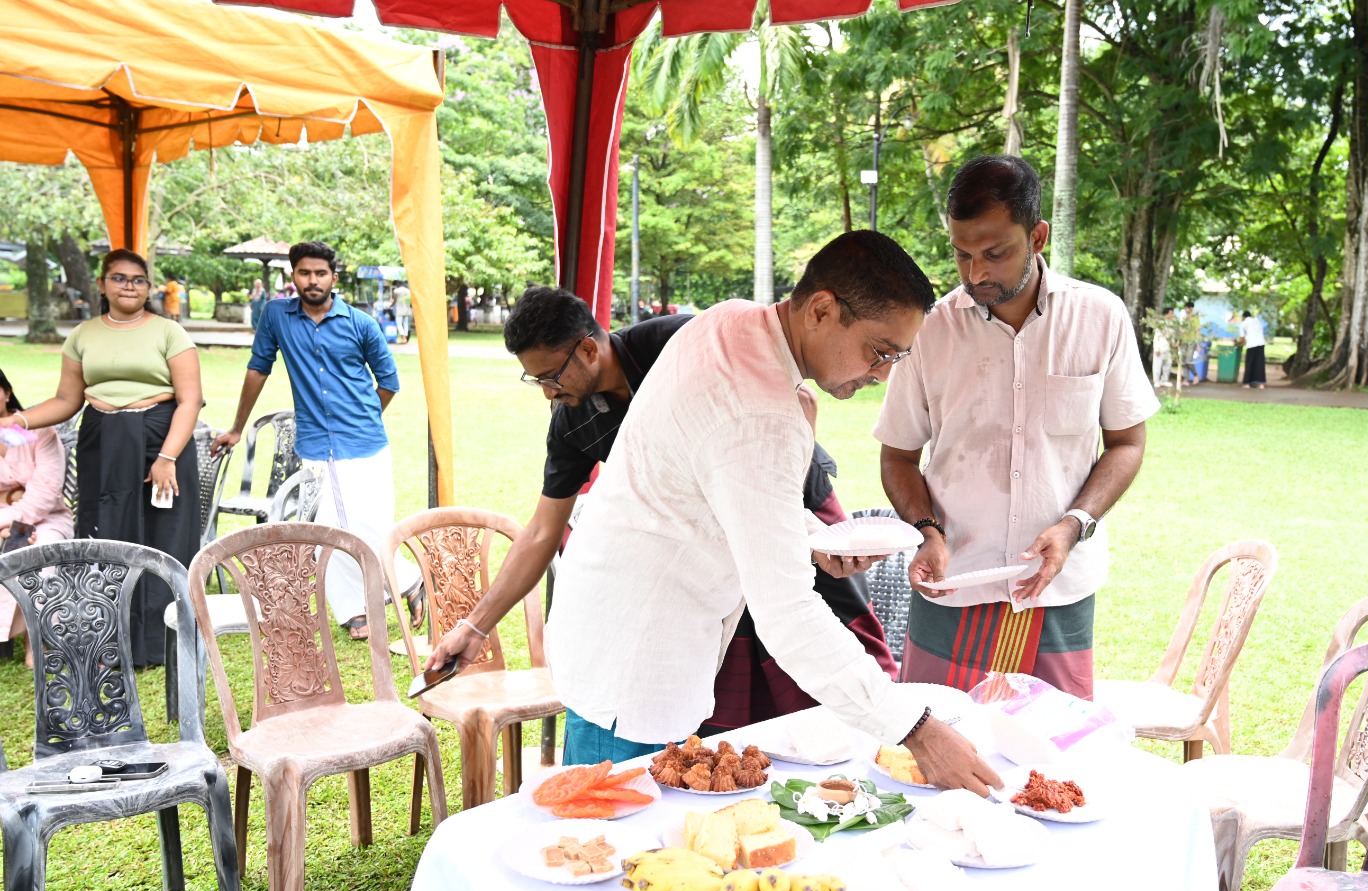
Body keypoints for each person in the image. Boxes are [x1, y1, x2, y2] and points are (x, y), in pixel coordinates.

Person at [429, 233, 999, 794]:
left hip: (612, 636)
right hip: (633, 666)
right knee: (611, 841)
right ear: (821, 310)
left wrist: (806, 535)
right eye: (880, 351)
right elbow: (788, 614)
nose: (883, 374)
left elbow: (712, 483)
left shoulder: (732, 319)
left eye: (898, 357)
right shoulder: (760, 412)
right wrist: (917, 730)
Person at [421, 285, 898, 735]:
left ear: (587, 350)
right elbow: (544, 531)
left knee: (831, 637)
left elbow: (801, 396)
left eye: (551, 375)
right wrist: (475, 625)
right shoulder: (571, 420)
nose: (548, 391)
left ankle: (874, 734)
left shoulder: (677, 341)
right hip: (708, 556)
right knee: (734, 694)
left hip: (792, 497)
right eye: (536, 380)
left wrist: (794, 526)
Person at [876, 155, 1159, 700]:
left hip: (1057, 589)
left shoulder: (1100, 316)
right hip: (952, 586)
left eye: (995, 253)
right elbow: (898, 456)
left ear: (1038, 237)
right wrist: (927, 531)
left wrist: (1074, 524)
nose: (975, 274)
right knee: (934, 741)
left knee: (1051, 749)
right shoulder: (929, 330)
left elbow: (1127, 443)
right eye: (962, 254)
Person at [0, 248, 204, 667]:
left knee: (162, 535)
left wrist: (167, 457)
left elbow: (190, 399)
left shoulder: (169, 332)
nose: (129, 286)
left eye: (138, 280)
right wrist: (16, 420)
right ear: (102, 284)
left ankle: (159, 641)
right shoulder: (83, 335)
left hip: (160, 440)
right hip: (103, 442)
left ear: (148, 287)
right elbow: (66, 399)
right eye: (119, 278)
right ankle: (111, 638)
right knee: (107, 532)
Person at [212, 240, 419, 640]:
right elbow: (258, 369)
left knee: (358, 522)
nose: (312, 280)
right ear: (293, 276)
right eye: (304, 272)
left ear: (333, 278)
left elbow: (389, 382)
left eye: (320, 273)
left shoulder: (361, 323)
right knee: (329, 526)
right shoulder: (276, 315)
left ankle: (392, 590)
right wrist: (237, 427)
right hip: (315, 442)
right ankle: (370, 603)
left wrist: (360, 418)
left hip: (364, 440)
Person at [0, 367, 76, 667]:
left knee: (42, 551)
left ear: (7, 392)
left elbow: (44, 494)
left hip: (47, 518)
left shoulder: (37, 431)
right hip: (4, 521)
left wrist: (9, 521)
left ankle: (39, 640)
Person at [1241, 309, 1268, 388]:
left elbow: (1242, 339)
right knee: (1259, 364)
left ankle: (1247, 383)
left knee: (1250, 363)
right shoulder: (1257, 321)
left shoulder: (1243, 323)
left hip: (1251, 344)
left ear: (1243, 317)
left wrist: (1237, 343)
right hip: (1261, 344)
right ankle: (1261, 384)